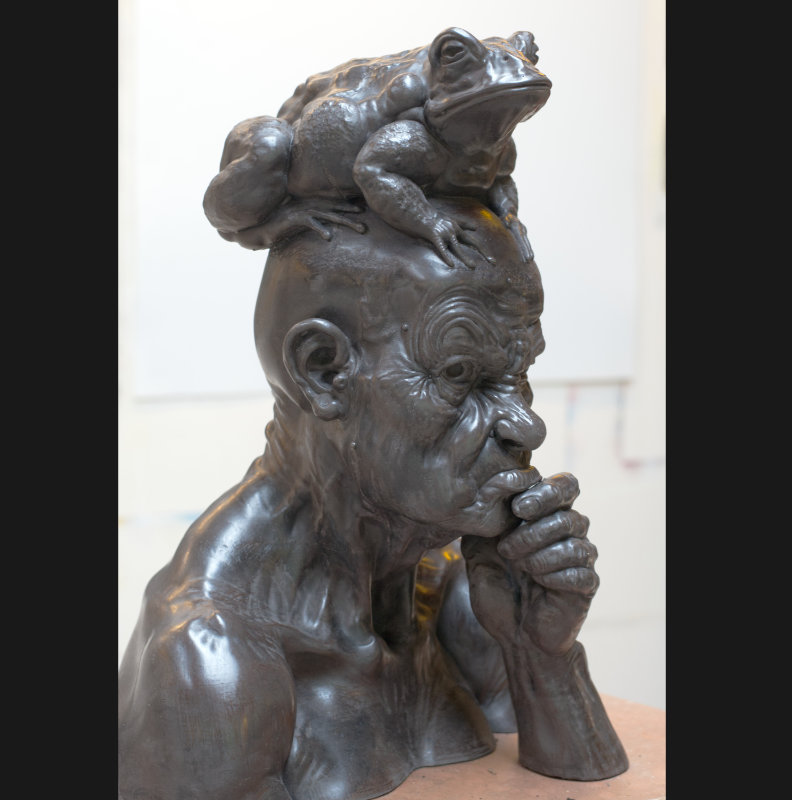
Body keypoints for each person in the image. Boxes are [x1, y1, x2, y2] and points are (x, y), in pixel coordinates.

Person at [118, 196, 627, 800]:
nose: (527, 426)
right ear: (324, 371)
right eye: (461, 375)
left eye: (520, 375)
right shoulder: (211, 658)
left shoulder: (454, 583)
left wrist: (540, 653)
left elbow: (582, 783)